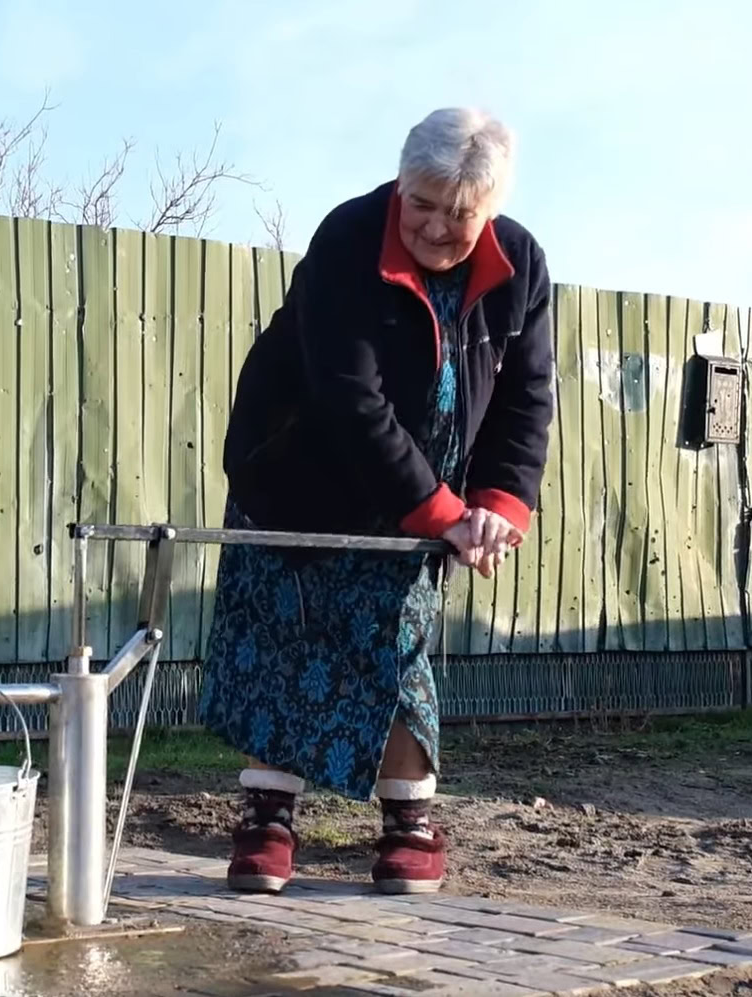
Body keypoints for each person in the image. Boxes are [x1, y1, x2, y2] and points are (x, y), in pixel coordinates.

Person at [201, 107, 555, 896]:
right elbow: (348, 398)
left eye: (458, 213)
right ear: (401, 181)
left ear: (489, 207)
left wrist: (496, 504)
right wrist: (439, 512)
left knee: (398, 647)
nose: (434, 226)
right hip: (298, 474)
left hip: (429, 491)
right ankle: (266, 822)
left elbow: (526, 400)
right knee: (284, 639)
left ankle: (409, 828)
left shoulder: (522, 263)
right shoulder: (348, 240)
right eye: (421, 203)